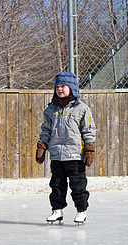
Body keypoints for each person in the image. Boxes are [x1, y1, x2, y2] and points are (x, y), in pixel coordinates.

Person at [36, 71, 96, 225]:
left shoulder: (82, 108)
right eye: (57, 86)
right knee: (56, 185)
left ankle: (81, 211)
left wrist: (89, 149)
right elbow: (46, 130)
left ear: (72, 88)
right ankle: (57, 211)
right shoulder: (51, 109)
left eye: (63, 86)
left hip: (75, 156)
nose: (60, 89)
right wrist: (42, 146)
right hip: (57, 155)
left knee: (78, 186)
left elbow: (88, 130)